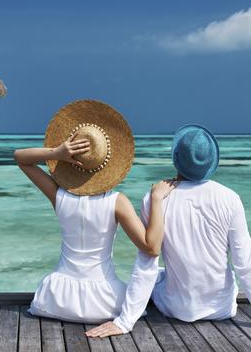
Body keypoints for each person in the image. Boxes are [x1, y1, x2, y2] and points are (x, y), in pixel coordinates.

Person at [86, 124, 251, 338]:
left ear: (176, 160)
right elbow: (246, 265)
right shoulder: (230, 198)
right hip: (223, 308)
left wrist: (124, 322)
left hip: (177, 309)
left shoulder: (154, 199)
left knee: (157, 274)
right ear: (211, 162)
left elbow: (146, 264)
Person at [14, 99, 178, 327]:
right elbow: (151, 247)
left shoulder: (59, 196)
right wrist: (157, 200)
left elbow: (21, 158)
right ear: (109, 163)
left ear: (73, 164)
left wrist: (57, 153)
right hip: (105, 303)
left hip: (55, 300)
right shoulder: (117, 202)